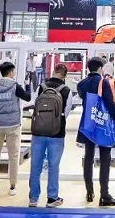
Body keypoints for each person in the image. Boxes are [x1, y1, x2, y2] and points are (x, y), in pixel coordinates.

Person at [77, 57, 115, 207]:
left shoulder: (81, 84)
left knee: (88, 157)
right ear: (100, 68)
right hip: (102, 124)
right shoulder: (103, 82)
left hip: (88, 123)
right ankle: (104, 195)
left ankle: (89, 191)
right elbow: (109, 102)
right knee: (105, 159)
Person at [0, 61, 30, 197]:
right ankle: (12, 186)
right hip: (12, 125)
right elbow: (28, 98)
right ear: (10, 72)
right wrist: (27, 86)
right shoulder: (15, 86)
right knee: (13, 156)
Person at [29, 63, 72, 208]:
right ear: (65, 75)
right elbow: (66, 113)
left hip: (38, 131)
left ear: (53, 71)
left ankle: (33, 198)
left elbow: (34, 105)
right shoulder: (66, 91)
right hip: (57, 134)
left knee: (35, 165)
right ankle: (52, 198)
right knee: (54, 166)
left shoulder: (41, 87)